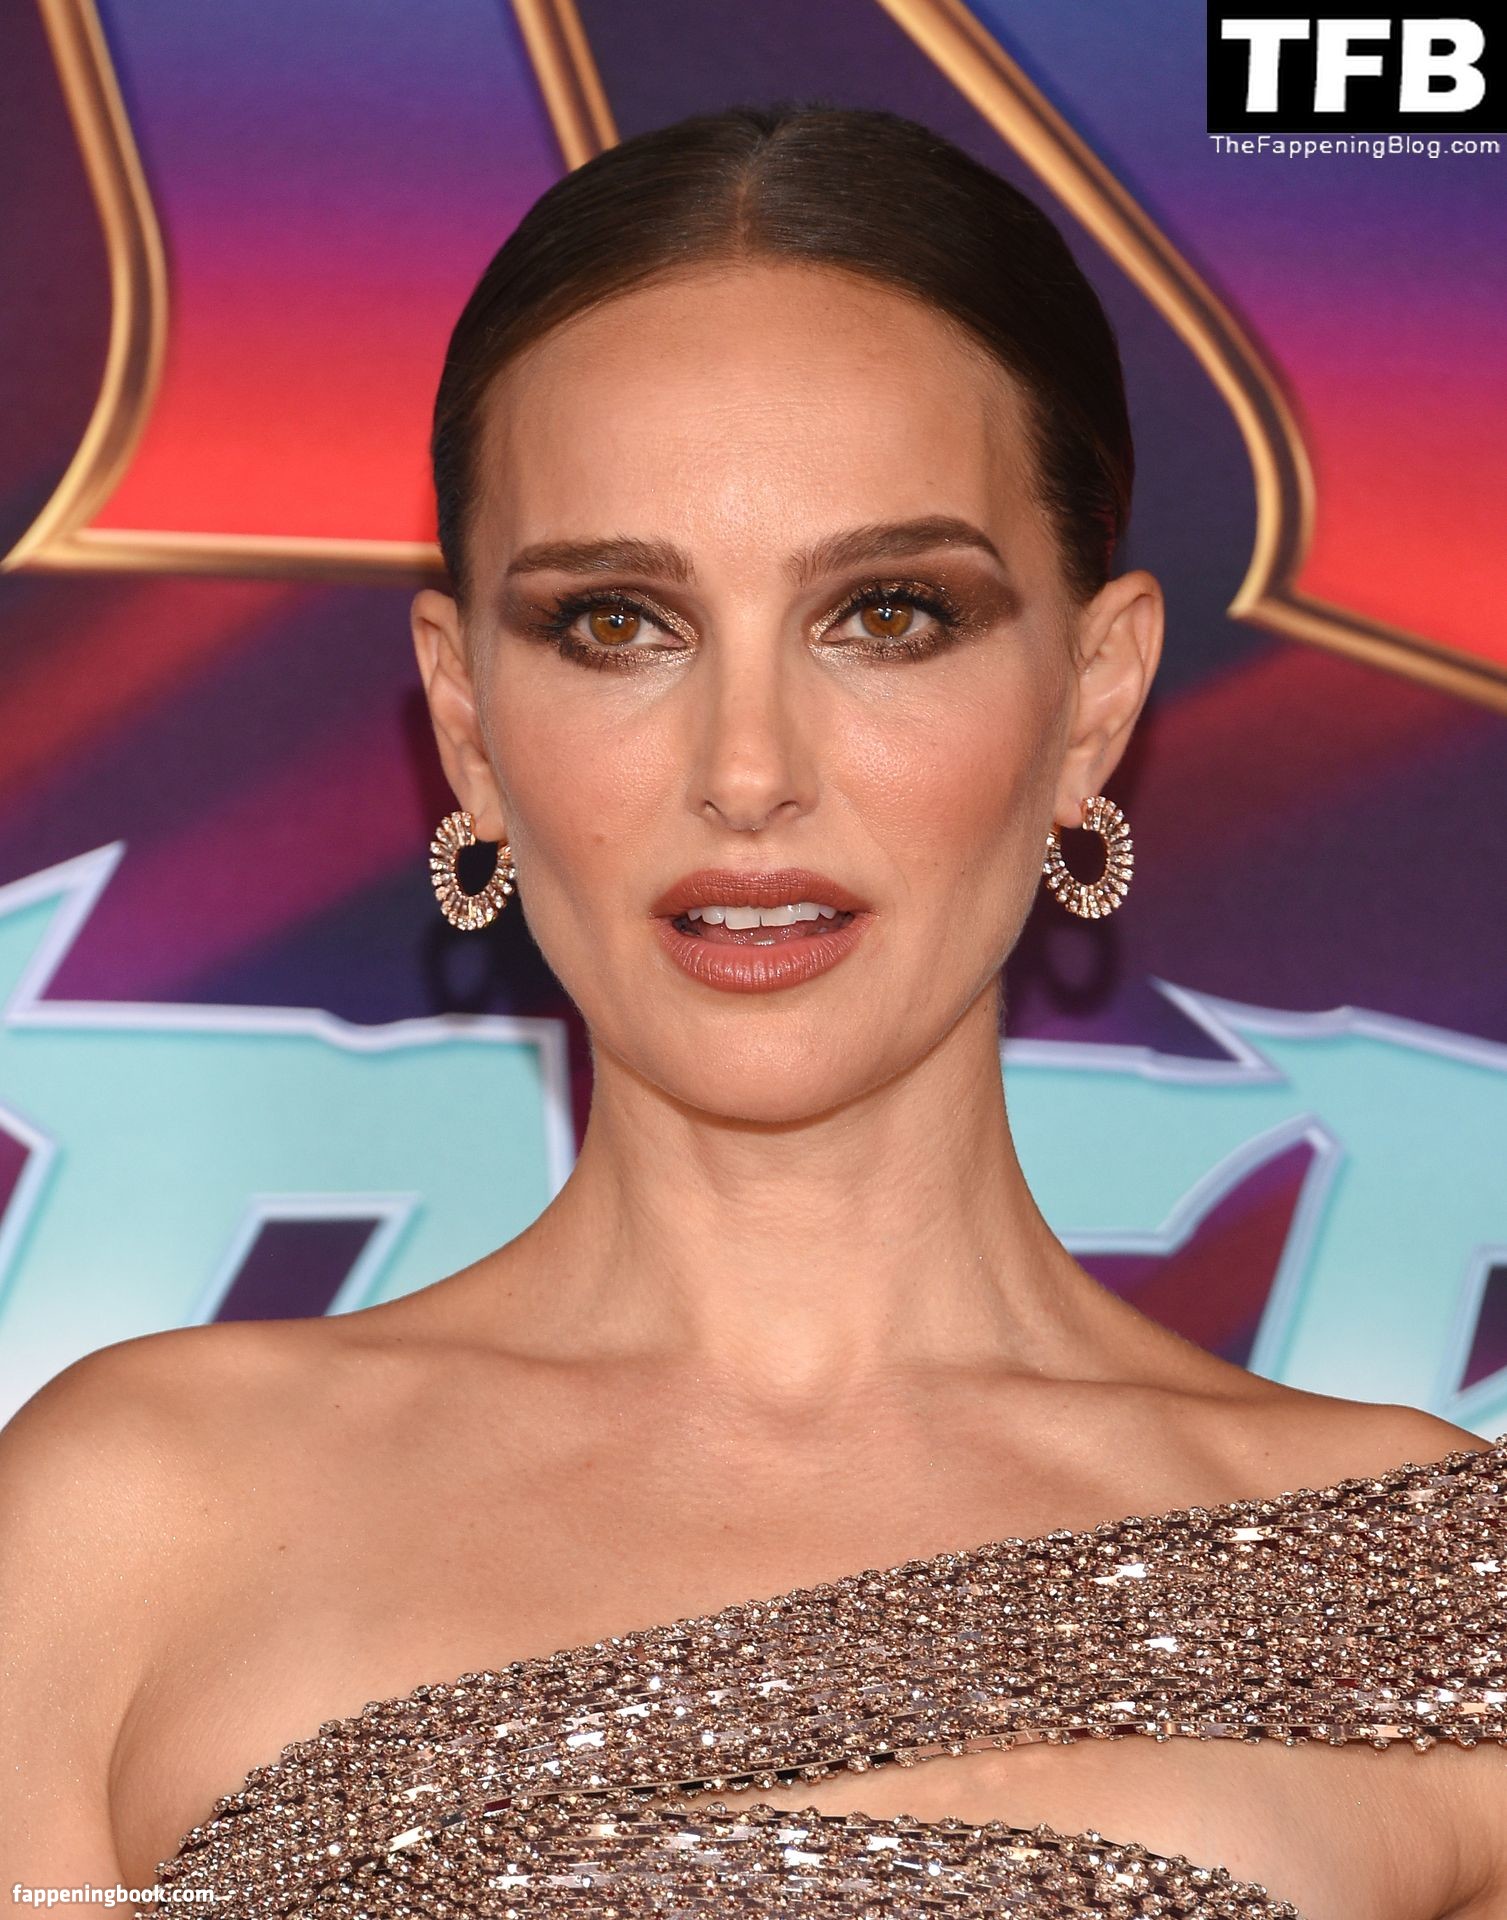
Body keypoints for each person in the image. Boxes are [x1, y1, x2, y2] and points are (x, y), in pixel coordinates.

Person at [1, 102, 1502, 1917]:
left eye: (890, 613)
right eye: (616, 624)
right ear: (467, 724)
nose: (746, 769)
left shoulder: (1427, 1599)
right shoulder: (125, 1522)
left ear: (1094, 700)